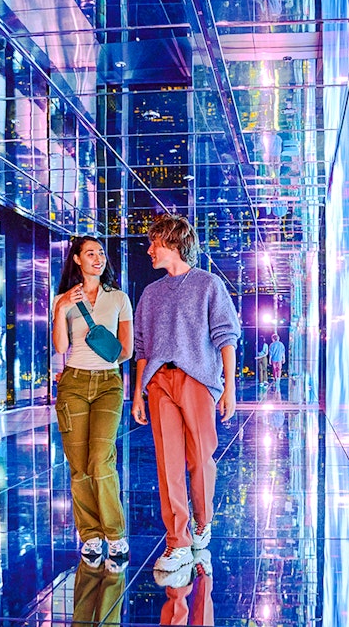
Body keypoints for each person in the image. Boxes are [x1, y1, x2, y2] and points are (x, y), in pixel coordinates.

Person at [131, 213, 241, 572]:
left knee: (200, 459)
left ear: (174, 243)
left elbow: (226, 338)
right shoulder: (150, 294)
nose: (149, 250)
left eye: (155, 243)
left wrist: (229, 389)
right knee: (169, 465)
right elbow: (142, 348)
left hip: (198, 380)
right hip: (159, 382)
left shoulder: (209, 285)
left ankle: (202, 520)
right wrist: (137, 394)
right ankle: (177, 541)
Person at [53, 236, 134, 560]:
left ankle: (114, 534)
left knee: (101, 459)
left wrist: (106, 349)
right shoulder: (63, 299)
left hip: (107, 385)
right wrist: (60, 309)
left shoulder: (118, 299)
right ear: (76, 260)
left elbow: (125, 350)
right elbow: (60, 347)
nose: (98, 258)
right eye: (90, 253)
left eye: (100, 253)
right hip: (73, 382)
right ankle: (90, 535)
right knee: (79, 466)